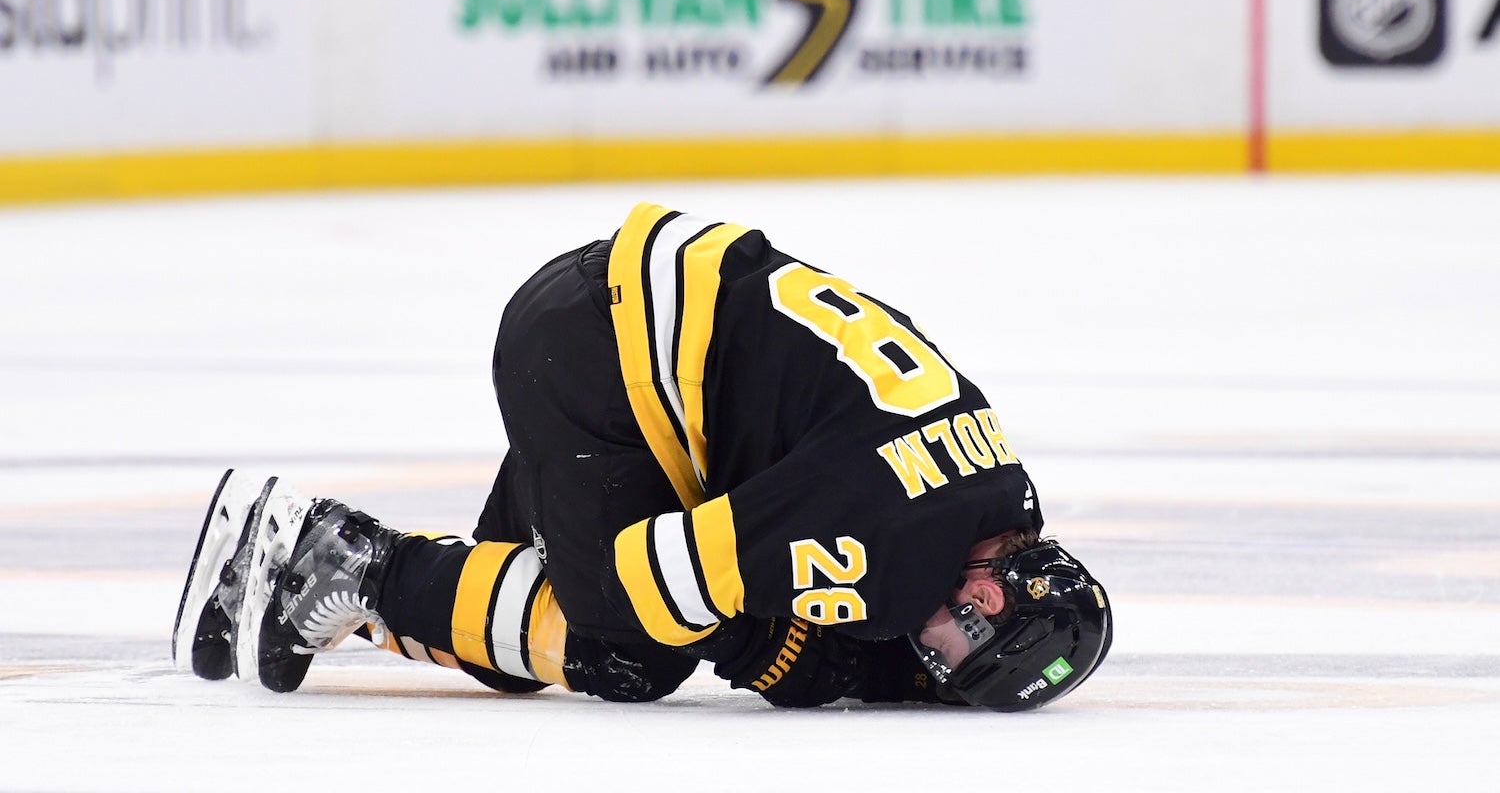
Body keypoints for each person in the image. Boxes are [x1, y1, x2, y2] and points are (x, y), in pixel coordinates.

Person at [174, 202, 1112, 710]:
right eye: (957, 640)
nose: (929, 653)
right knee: (623, 647)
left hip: (635, 327)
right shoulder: (891, 547)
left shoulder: (996, 487)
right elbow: (650, 586)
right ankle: (347, 555)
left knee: (507, 639)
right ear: (988, 591)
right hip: (603, 356)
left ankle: (345, 589)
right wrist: (800, 659)